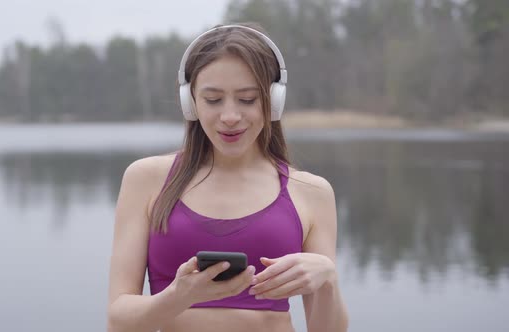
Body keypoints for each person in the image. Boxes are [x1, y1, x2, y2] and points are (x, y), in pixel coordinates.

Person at [106, 23, 349, 332]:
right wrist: (179, 297)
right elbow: (118, 321)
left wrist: (327, 280)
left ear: (274, 101)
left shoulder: (312, 192)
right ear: (190, 101)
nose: (230, 116)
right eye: (213, 99)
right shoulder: (146, 179)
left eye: (247, 99)